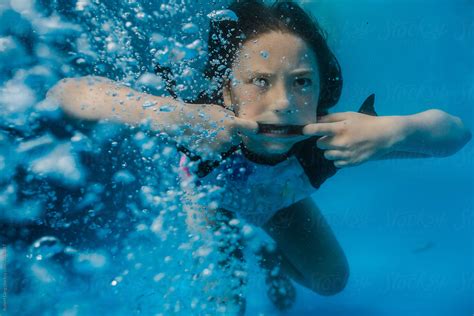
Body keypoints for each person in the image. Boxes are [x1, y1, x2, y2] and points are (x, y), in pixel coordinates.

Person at [45, 0, 472, 313]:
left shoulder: (330, 140)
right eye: (259, 81)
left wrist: (392, 132)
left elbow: (456, 135)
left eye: (302, 82)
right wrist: (172, 117)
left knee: (332, 282)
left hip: (282, 207)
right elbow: (65, 93)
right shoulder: (202, 127)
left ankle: (269, 257)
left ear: (322, 90)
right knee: (226, 305)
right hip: (212, 209)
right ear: (227, 90)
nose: (284, 102)